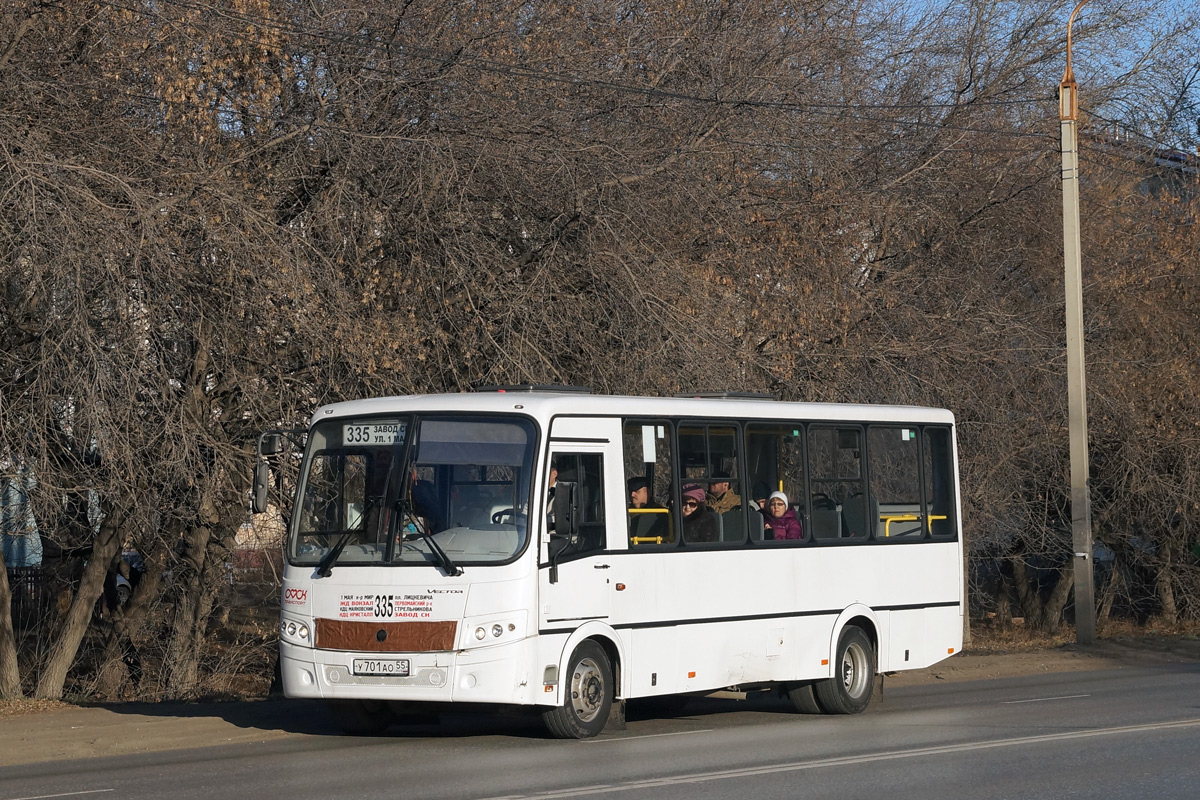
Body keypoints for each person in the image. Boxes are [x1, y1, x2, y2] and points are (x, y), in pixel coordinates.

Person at [627, 476, 667, 541]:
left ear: (648, 492)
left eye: (637, 491)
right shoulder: (625, 513)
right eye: (630, 491)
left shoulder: (661, 513)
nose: (632, 495)